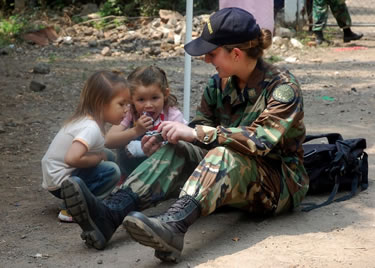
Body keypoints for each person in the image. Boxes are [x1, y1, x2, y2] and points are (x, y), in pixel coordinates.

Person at [61, 7, 309, 262]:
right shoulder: (220, 82)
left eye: (212, 54)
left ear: (235, 54)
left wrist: (195, 133)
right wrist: (169, 135)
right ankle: (111, 213)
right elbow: (201, 124)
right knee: (178, 146)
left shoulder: (282, 87)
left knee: (220, 153)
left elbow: (260, 141)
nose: (206, 60)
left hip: (278, 184)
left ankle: (174, 225)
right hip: (230, 177)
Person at [41, 70, 129, 222]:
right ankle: (74, 208)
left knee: (107, 155)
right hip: (62, 182)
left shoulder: (89, 121)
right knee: (112, 171)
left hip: (57, 176)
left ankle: (88, 196)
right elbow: (72, 158)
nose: (126, 109)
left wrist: (100, 156)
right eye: (121, 104)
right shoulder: (90, 128)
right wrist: (96, 159)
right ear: (101, 103)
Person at [105, 65, 187, 178]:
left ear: (165, 94)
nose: (148, 105)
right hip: (133, 169)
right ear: (131, 99)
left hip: (161, 171)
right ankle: (127, 177)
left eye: (154, 98)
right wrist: (136, 130)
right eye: (141, 99)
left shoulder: (172, 115)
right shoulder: (130, 111)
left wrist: (142, 149)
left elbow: (180, 148)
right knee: (124, 140)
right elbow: (108, 141)